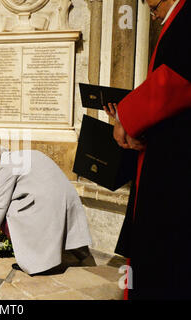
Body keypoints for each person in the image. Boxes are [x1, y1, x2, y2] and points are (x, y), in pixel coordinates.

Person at [104, 0, 191, 299]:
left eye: (150, 3)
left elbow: (176, 80)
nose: (145, 6)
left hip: (175, 172)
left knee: (165, 256)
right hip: (165, 158)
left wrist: (128, 117)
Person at [0, 145, 92, 275]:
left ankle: (35, 262)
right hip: (68, 197)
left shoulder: (5, 166)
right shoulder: (24, 154)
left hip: (48, 203)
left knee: (9, 215)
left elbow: (0, 206)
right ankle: (81, 251)